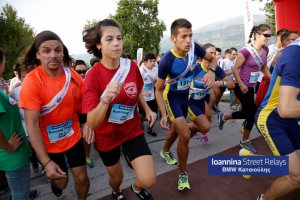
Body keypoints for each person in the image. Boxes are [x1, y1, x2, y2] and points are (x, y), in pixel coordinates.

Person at [82, 19, 157, 200]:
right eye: (109, 39)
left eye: (119, 38)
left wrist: (146, 109)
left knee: (149, 179)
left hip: (131, 129)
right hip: (107, 135)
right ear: (99, 44)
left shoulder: (130, 65)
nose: (116, 43)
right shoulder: (93, 75)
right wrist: (106, 99)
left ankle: (136, 188)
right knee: (117, 178)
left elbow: (136, 90)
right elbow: (92, 121)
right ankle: (116, 191)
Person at [19, 31, 90, 199]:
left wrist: (86, 123)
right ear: (38, 55)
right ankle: (56, 188)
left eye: (58, 50)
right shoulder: (32, 82)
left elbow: (85, 104)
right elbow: (32, 126)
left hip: (72, 136)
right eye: (46, 51)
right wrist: (46, 162)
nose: (53, 55)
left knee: (82, 177)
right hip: (48, 144)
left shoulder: (72, 76)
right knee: (61, 182)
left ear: (63, 53)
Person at [156, 18, 216, 191]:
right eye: (183, 37)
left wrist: (211, 73)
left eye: (190, 35)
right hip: (172, 98)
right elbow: (158, 90)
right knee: (184, 134)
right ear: (173, 38)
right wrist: (164, 114)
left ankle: (165, 149)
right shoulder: (167, 60)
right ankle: (183, 174)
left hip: (186, 96)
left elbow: (212, 60)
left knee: (200, 128)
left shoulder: (195, 48)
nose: (188, 40)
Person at [255, 37, 300, 200]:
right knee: (297, 178)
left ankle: (251, 161)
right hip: (271, 119)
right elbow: (286, 109)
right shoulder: (295, 53)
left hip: (292, 120)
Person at [218, 24, 272, 154]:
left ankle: (225, 117)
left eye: (270, 36)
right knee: (252, 113)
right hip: (240, 86)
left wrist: (272, 78)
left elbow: (263, 67)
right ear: (258, 35)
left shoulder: (265, 50)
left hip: (251, 86)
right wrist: (241, 84)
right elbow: (235, 69)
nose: (268, 38)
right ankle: (244, 140)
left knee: (249, 113)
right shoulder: (245, 51)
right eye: (266, 35)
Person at [0, 48, 36, 200]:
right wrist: (8, 146)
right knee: (19, 195)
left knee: (21, 191)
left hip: (16, 152)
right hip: (12, 154)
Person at [188, 43, 235, 145]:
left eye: (215, 53)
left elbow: (232, 85)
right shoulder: (195, 68)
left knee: (208, 116)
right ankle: (184, 127)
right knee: (205, 126)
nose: (213, 56)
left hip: (201, 100)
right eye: (210, 53)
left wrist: (221, 83)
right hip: (189, 101)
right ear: (204, 55)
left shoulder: (216, 69)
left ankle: (189, 136)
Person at [74, 59, 95, 168]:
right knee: (75, 139)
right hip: (73, 115)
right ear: (74, 71)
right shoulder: (69, 82)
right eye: (79, 72)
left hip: (86, 113)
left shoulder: (89, 81)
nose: (82, 74)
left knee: (88, 136)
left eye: (84, 71)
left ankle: (87, 157)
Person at [139, 53, 158, 137]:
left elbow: (157, 81)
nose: (153, 63)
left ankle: (150, 129)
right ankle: (139, 127)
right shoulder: (141, 70)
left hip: (152, 96)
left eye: (154, 61)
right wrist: (143, 93)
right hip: (142, 98)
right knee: (142, 115)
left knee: (154, 114)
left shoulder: (156, 69)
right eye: (150, 61)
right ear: (145, 62)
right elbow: (136, 84)